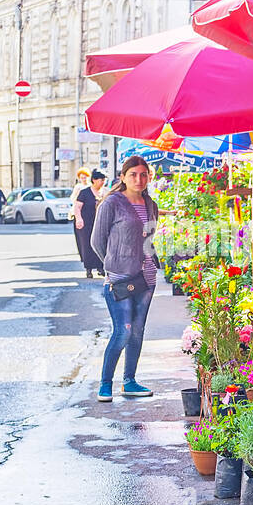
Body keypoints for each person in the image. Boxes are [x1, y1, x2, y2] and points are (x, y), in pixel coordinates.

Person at [90, 156, 159, 401]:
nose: (139, 179)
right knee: (123, 331)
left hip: (147, 278)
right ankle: (105, 383)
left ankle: (129, 381)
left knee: (137, 331)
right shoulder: (112, 203)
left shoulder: (150, 203)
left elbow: (149, 238)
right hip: (119, 279)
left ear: (148, 177)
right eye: (133, 175)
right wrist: (114, 263)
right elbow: (97, 241)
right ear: (122, 177)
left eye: (143, 175)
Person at [72, 170, 106, 278]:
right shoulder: (85, 192)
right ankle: (89, 269)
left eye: (104, 180)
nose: (103, 182)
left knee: (100, 244)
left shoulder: (105, 192)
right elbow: (77, 207)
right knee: (87, 245)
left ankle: (101, 268)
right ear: (94, 180)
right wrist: (79, 219)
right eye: (101, 180)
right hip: (86, 223)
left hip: (100, 223)